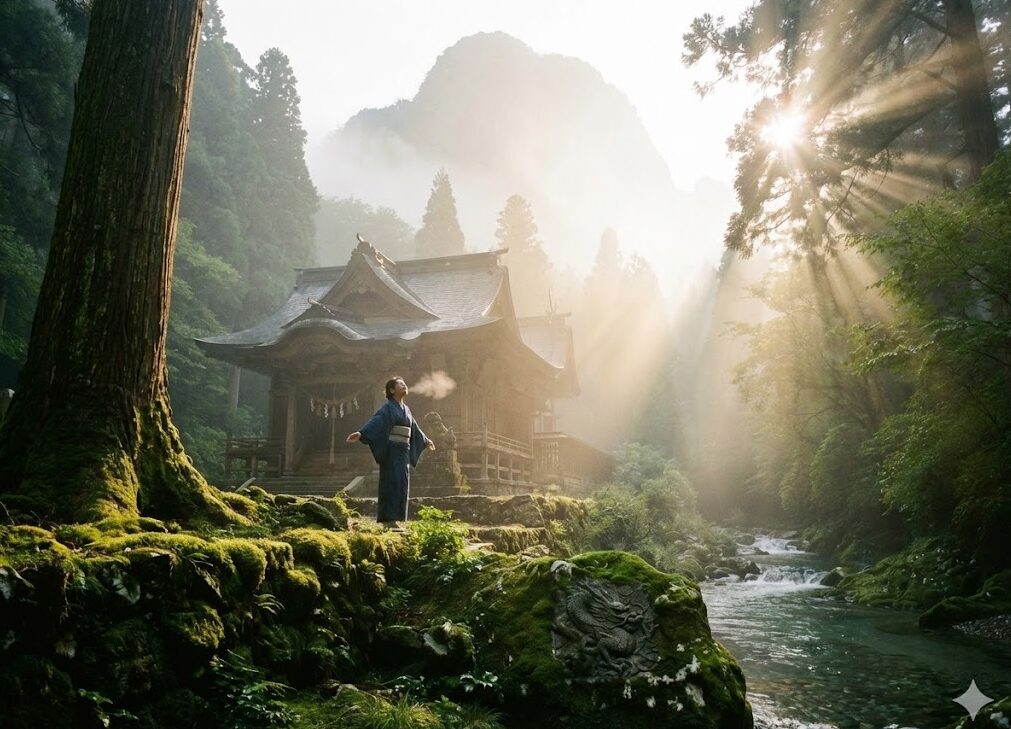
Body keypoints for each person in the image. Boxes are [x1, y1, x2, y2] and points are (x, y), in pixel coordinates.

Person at [346, 376, 435, 527]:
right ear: (392, 390)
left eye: (405, 383)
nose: (404, 385)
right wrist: (362, 433)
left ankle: (398, 519)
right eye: (400, 384)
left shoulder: (406, 409)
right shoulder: (387, 407)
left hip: (403, 452)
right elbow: (377, 420)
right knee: (391, 483)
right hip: (392, 451)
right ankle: (388, 519)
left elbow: (414, 428)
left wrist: (426, 440)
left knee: (402, 484)